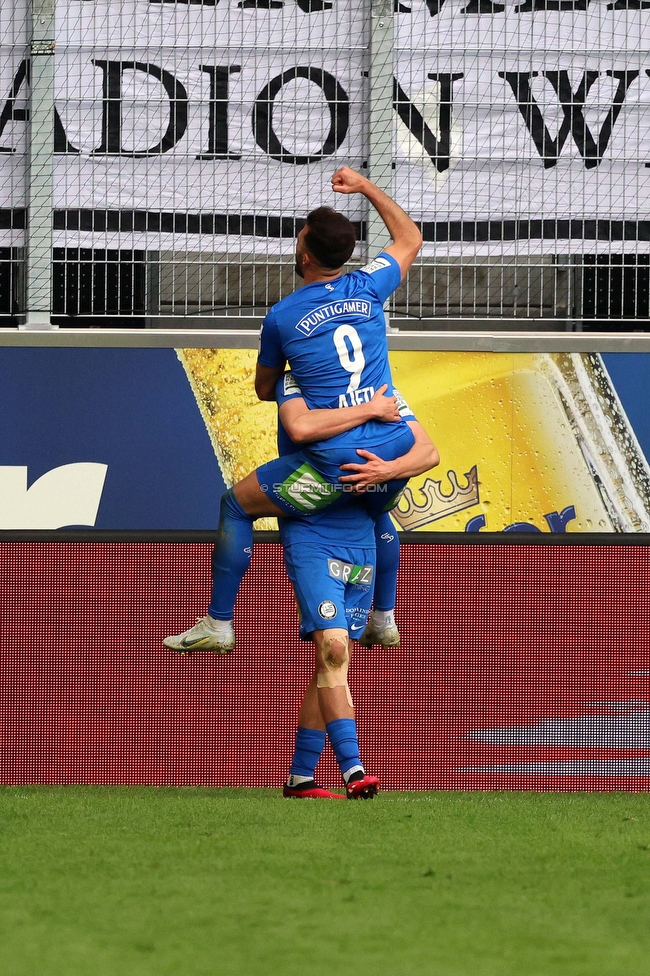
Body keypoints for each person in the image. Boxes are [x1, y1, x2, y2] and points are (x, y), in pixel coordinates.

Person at [164, 165, 424, 654]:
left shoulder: (282, 316)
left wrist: (293, 377)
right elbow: (409, 235)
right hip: (391, 446)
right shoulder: (369, 287)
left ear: (304, 256)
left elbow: (265, 388)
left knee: (236, 505)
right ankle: (385, 617)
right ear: (345, 258)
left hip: (331, 463)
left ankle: (220, 623)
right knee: (375, 506)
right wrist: (365, 186)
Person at [274, 373, 438, 799]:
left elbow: (428, 451)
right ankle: (354, 769)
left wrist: (391, 469)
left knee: (331, 663)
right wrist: (367, 413)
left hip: (360, 538)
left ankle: (300, 778)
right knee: (333, 650)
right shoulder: (296, 385)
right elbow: (299, 429)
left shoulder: (383, 390)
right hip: (312, 531)